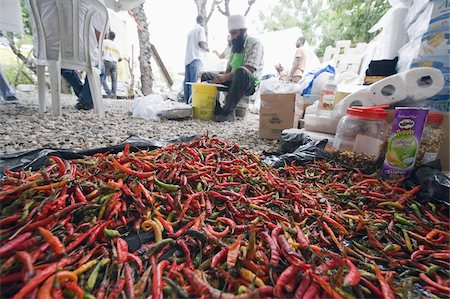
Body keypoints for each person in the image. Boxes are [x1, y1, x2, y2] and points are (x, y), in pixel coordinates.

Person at [30, 0, 108, 110]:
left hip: (46, 51)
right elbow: (101, 33)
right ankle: (86, 100)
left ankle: (84, 96)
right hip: (82, 52)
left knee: (64, 67)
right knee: (100, 67)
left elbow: (34, 22)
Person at [201, 15, 264, 122]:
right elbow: (229, 68)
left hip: (248, 83)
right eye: (231, 34)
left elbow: (250, 68)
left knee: (242, 71)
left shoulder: (255, 43)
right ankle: (216, 109)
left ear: (243, 31)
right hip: (233, 80)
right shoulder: (234, 47)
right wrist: (220, 78)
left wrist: (225, 77)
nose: (233, 37)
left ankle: (228, 112)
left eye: (235, 33)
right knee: (206, 76)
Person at [184, 15, 208, 104]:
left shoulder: (190, 31)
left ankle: (186, 102)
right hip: (195, 57)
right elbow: (201, 43)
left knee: (187, 82)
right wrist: (206, 49)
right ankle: (191, 103)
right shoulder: (201, 29)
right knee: (193, 82)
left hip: (187, 59)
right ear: (202, 21)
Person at [101, 31, 121, 99]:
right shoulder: (117, 45)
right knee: (114, 80)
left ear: (108, 36)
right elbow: (120, 58)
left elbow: (100, 51)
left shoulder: (104, 42)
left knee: (102, 78)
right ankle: (114, 95)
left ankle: (109, 93)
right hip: (114, 63)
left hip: (106, 61)